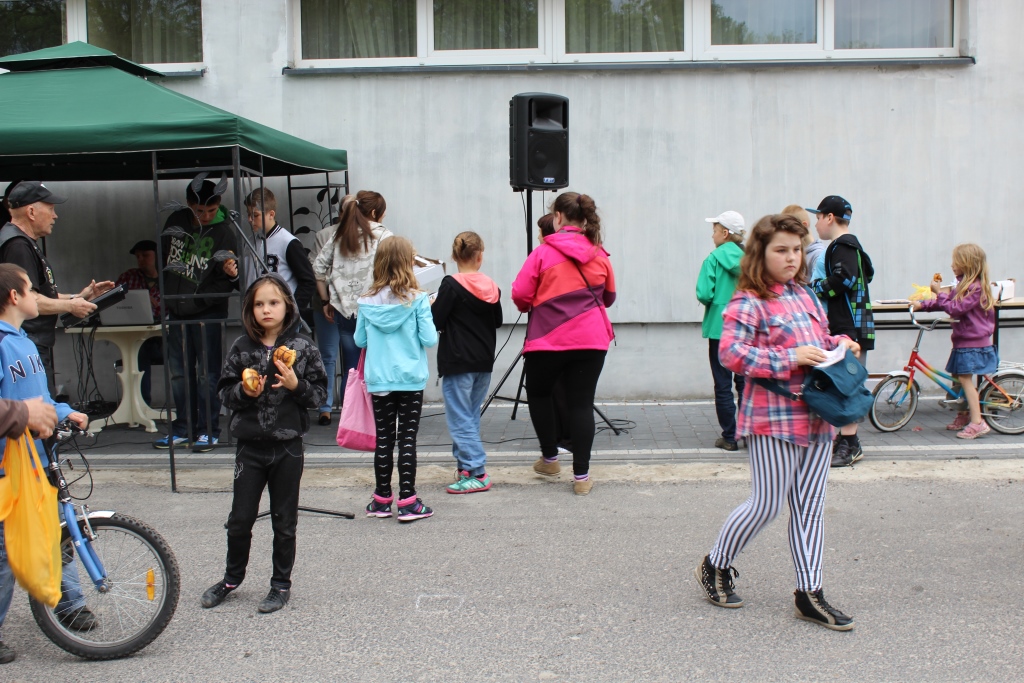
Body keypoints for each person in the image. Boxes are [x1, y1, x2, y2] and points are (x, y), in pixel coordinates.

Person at [694, 213, 860, 631]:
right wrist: (790, 358)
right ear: (760, 253)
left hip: (820, 415)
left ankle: (810, 593)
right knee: (766, 504)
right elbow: (731, 354)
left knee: (810, 507)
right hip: (773, 418)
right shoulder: (747, 300)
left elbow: (820, 340)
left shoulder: (806, 295)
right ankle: (715, 563)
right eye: (781, 250)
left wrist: (840, 343)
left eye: (797, 250)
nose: (791, 258)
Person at [200, 274, 327, 614]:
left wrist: (297, 385)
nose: (266, 309)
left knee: (284, 521)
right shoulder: (241, 347)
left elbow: (319, 396)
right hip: (250, 446)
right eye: (259, 304)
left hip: (288, 447)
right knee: (240, 519)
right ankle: (232, 578)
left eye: (273, 302)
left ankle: (280, 584)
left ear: (287, 305)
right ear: (250, 309)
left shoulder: (303, 347)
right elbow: (224, 392)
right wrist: (244, 391)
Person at [0, 263, 92, 664]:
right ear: (14, 296)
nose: (37, 296)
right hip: (9, 468)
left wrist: (65, 411)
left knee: (57, 533)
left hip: (38, 462)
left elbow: (40, 398)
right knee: (5, 554)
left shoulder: (24, 341)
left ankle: (69, 604)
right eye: (31, 289)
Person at [512, 192, 616, 496]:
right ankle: (581, 477)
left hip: (548, 340)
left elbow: (520, 295)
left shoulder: (542, 254)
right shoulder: (600, 254)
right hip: (591, 340)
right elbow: (609, 298)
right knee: (581, 404)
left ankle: (550, 459)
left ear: (557, 217)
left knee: (539, 395)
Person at [0, 181, 115, 396]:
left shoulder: (21, 241)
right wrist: (71, 307)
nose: (55, 216)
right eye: (51, 209)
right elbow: (29, 299)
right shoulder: (18, 245)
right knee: (40, 408)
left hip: (31, 340)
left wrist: (79, 296)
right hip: (28, 340)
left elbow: (40, 294)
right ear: (31, 212)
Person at [356, 236, 438, 522]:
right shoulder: (418, 300)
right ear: (408, 263)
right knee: (407, 439)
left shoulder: (366, 301)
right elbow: (429, 339)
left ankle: (381, 500)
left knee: (384, 439)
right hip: (410, 379)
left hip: (380, 379)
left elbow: (359, 340)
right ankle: (407, 501)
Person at [156, 180, 240, 451]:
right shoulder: (176, 221)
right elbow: (162, 258)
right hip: (176, 309)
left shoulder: (225, 233)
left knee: (207, 373)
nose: (205, 216)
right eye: (199, 211)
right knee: (179, 373)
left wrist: (201, 299)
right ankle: (183, 427)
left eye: (211, 210)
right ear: (189, 205)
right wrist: (168, 294)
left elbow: (228, 279)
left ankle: (209, 428)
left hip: (208, 312)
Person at [312, 191, 391, 426]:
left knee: (352, 366)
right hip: (376, 310)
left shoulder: (339, 234)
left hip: (345, 311)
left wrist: (326, 300)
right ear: (375, 212)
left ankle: (352, 418)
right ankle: (377, 417)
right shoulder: (383, 235)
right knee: (377, 363)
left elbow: (318, 269)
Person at [431, 231, 502, 494]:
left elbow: (436, 320)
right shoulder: (492, 286)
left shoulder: (450, 285)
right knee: (469, 416)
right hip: (484, 360)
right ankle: (465, 467)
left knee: (460, 418)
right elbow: (497, 321)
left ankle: (478, 471)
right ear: (480, 256)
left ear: (454, 256)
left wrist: (433, 303)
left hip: (458, 360)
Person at [807, 195, 874, 468]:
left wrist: (814, 287)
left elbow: (844, 279)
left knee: (848, 385)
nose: (816, 224)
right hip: (854, 324)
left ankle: (851, 444)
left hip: (849, 326)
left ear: (829, 218)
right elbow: (867, 274)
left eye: (818, 217)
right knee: (844, 383)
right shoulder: (851, 246)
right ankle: (844, 439)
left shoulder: (842, 245)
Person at [914, 243, 998, 439]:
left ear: (968, 264)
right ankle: (964, 413)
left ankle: (978, 422)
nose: (952, 265)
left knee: (966, 380)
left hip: (973, 342)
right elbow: (946, 303)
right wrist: (922, 305)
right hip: (962, 340)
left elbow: (955, 308)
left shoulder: (975, 289)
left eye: (956, 262)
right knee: (957, 377)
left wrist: (939, 293)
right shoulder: (962, 286)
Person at [696, 210, 746, 452]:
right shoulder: (750, 260)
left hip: (720, 328)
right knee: (746, 383)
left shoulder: (713, 259)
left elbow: (704, 294)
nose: (712, 235)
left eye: (715, 230)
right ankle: (750, 433)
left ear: (725, 233)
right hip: (746, 328)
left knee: (723, 384)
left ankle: (730, 437)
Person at [242, 189, 316, 314]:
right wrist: (233, 275)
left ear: (271, 214)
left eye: (255, 215)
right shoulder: (249, 242)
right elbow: (247, 281)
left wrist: (291, 310)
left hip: (280, 314)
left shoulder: (288, 242)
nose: (250, 219)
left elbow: (308, 281)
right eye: (248, 214)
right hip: (255, 312)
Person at [115, 240, 164, 406]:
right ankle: (141, 405)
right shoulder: (129, 277)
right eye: (138, 256)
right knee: (138, 350)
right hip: (136, 334)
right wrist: (139, 299)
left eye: (145, 255)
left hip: (163, 335)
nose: (141, 259)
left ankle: (184, 410)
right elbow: (113, 299)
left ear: (158, 256)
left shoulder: (168, 279)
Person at [782, 204, 823, 278]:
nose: (786, 235)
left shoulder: (818, 255)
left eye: (790, 229)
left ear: (804, 225)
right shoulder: (797, 253)